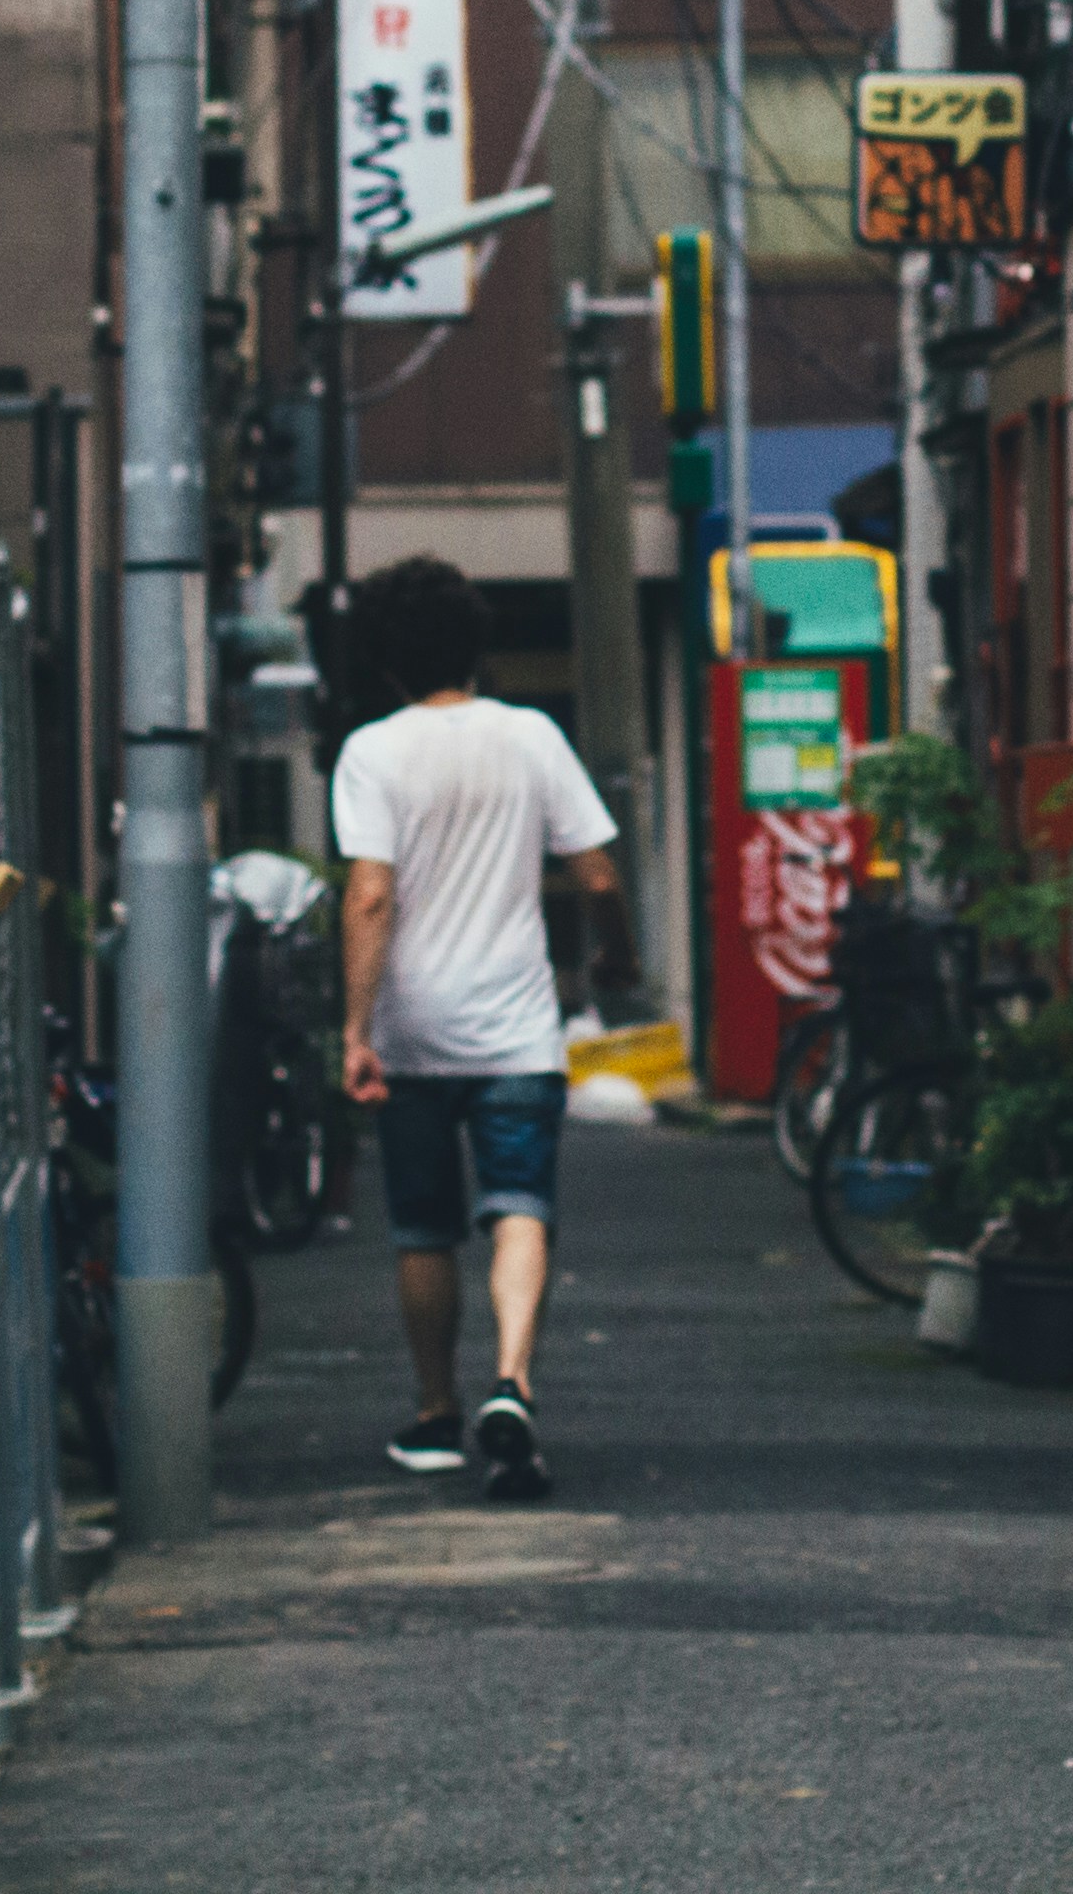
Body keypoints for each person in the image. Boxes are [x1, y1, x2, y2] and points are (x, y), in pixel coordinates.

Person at [330, 553, 617, 1501]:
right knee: (519, 1209)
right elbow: (599, 872)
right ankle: (513, 1383)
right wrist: (611, 955)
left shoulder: (373, 751)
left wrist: (355, 1030)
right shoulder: (531, 736)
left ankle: (434, 1413)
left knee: (423, 1229)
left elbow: (370, 896)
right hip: (519, 1029)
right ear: (474, 644)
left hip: (413, 1035)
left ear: (385, 660)